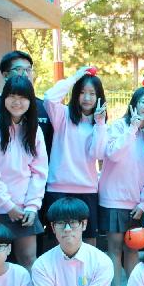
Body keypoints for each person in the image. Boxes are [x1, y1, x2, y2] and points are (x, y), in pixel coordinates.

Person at [99, 84, 144, 286]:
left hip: (136, 204)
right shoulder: (118, 127)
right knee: (115, 248)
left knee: (133, 248)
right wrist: (132, 129)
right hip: (112, 199)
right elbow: (112, 155)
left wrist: (143, 203)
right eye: (143, 102)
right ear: (134, 103)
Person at [0, 75, 48, 269]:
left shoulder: (34, 129)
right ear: (4, 98)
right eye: (12, 96)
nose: (17, 102)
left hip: (25, 209)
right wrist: (8, 205)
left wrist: (32, 206)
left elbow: (39, 171)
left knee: (28, 260)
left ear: (30, 101)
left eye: (23, 97)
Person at [42, 67, 108, 246]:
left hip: (87, 189)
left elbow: (98, 154)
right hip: (58, 188)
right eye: (82, 92)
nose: (87, 98)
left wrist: (100, 124)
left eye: (92, 94)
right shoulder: (62, 115)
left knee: (89, 241)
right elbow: (49, 98)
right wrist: (74, 77)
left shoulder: (100, 124)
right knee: (58, 241)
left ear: (99, 97)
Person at [0, 50, 52, 155]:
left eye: (29, 70)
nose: (26, 74)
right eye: (19, 69)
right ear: (5, 75)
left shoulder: (43, 107)